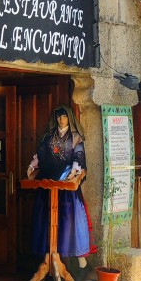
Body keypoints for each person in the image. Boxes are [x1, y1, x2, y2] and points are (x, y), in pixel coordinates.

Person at [27, 106, 96, 267]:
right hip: (48, 181)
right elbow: (41, 154)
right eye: (58, 116)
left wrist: (73, 170)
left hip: (66, 182)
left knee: (69, 219)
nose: (61, 119)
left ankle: (75, 257)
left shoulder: (76, 138)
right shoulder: (48, 137)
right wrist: (32, 166)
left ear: (69, 118)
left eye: (64, 116)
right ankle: (48, 255)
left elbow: (79, 155)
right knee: (46, 218)